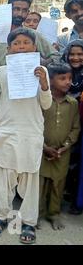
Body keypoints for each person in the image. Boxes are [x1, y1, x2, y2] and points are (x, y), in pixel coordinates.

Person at [0, 28, 52, 245]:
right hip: (6, 132)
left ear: (34, 47)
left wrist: (45, 85)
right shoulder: (1, 71)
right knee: (3, 177)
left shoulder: (41, 72)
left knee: (29, 180)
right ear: (9, 49)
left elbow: (46, 104)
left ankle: (28, 222)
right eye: (16, 43)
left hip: (31, 132)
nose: (21, 46)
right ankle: (1, 217)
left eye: (26, 42)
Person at [39, 63, 80, 230]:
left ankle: (53, 214)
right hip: (41, 151)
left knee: (58, 185)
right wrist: (43, 146)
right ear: (50, 80)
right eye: (62, 78)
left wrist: (65, 147)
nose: (68, 82)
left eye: (70, 78)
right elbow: (33, 125)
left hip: (62, 153)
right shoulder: (42, 101)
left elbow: (75, 128)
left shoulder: (72, 103)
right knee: (39, 185)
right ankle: (37, 214)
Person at [0, 0, 60, 68]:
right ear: (8, 9)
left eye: (24, 10)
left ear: (28, 12)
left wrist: (40, 63)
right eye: (16, 9)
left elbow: (56, 57)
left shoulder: (33, 34)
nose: (20, 14)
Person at [62, 39, 83, 214]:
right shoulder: (61, 73)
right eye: (72, 54)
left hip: (80, 125)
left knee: (78, 163)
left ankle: (76, 199)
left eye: (80, 54)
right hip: (62, 121)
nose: (75, 58)